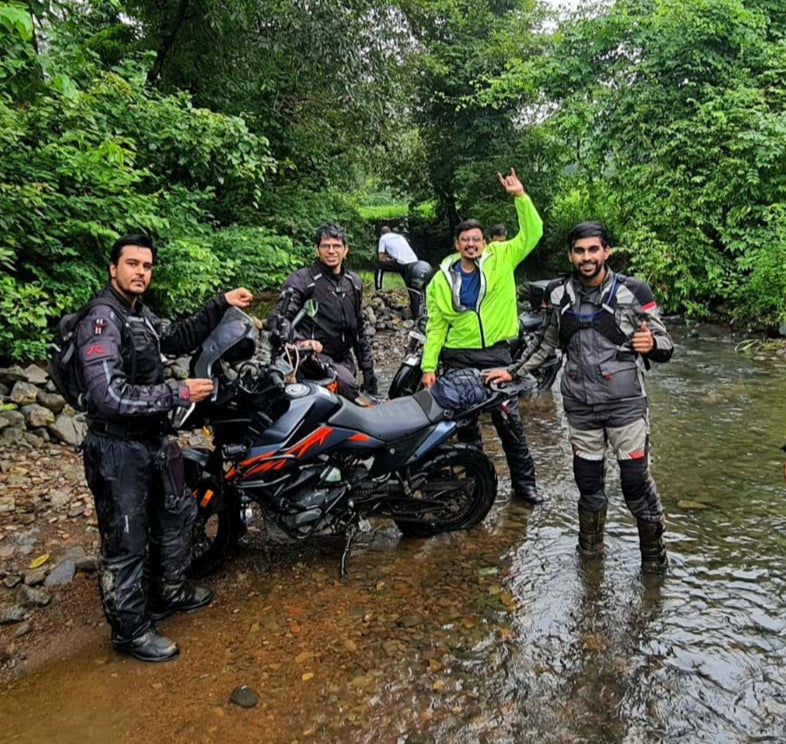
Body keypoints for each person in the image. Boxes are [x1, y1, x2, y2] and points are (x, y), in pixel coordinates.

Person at [77, 234, 253, 662]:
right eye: (132, 264)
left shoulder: (140, 315)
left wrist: (220, 302)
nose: (140, 272)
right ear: (113, 268)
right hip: (116, 447)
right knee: (126, 541)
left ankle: (169, 593)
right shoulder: (101, 320)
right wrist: (176, 393)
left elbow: (178, 335)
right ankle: (131, 631)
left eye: (147, 266)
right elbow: (108, 396)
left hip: (153, 439)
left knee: (174, 515)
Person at [485, 221, 674, 572]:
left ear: (606, 252)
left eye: (593, 250)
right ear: (571, 255)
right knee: (588, 485)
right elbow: (546, 344)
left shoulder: (634, 292)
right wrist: (512, 371)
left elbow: (665, 342)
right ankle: (590, 558)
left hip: (625, 405)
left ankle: (653, 559)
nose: (586, 258)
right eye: (579, 251)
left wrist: (652, 345)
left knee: (635, 483)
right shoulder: (558, 294)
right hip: (580, 407)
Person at [421, 168, 544, 504]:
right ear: (457, 245)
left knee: (509, 422)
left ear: (484, 242)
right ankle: (473, 484)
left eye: (477, 239)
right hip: (458, 356)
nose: (471, 244)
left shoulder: (503, 257)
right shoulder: (441, 279)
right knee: (464, 424)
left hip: (497, 355)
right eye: (465, 240)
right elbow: (436, 325)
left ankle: (524, 485)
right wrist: (428, 366)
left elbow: (533, 232)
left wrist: (520, 196)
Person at [268, 223, 377, 399]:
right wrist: (301, 342)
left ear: (345, 250)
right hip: (313, 359)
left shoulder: (354, 283)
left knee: (359, 398)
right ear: (317, 250)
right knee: (348, 387)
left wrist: (368, 369)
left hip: (343, 357)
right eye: (326, 246)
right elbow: (278, 319)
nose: (331, 251)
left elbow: (360, 329)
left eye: (336, 246)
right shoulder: (303, 280)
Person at [375, 226, 425, 318]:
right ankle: (416, 315)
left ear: (381, 234)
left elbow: (381, 258)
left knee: (379, 266)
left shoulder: (383, 238)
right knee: (412, 289)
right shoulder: (400, 237)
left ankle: (378, 289)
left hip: (401, 262)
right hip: (413, 262)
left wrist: (388, 258)